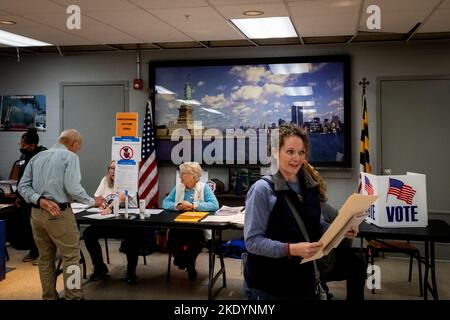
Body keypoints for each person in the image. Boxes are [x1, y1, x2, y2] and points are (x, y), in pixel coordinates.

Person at [243, 123, 365, 300]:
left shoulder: (310, 186)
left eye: (301, 153)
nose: (297, 158)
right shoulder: (262, 190)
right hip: (269, 286)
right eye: (290, 152)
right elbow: (253, 242)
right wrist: (290, 249)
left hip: (304, 282)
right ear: (275, 152)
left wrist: (340, 230)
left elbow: (316, 224)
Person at [18, 129, 103, 300]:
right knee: (71, 256)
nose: (79, 149)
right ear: (74, 143)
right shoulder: (70, 157)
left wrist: (39, 200)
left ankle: (49, 297)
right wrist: (93, 201)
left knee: (45, 258)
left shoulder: (37, 157)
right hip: (58, 214)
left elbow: (22, 186)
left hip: (36, 215)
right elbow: (73, 188)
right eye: (80, 145)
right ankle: (74, 296)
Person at [83, 160, 156, 284]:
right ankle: (100, 268)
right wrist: (100, 204)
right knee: (88, 233)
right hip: (107, 221)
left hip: (127, 222)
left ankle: (131, 272)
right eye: (111, 168)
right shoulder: (105, 180)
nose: (113, 171)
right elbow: (98, 198)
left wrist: (109, 207)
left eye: (116, 169)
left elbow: (122, 197)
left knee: (133, 235)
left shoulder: (129, 182)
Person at [162, 162, 219, 281]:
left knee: (193, 240)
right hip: (179, 225)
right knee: (173, 238)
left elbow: (214, 205)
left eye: (183, 174)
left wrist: (194, 206)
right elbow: (165, 203)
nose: (180, 176)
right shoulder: (178, 187)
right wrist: (177, 205)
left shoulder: (204, 188)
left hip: (196, 226)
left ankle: (188, 264)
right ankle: (187, 263)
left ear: (193, 176)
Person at [14, 128, 47, 264]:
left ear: (32, 145)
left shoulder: (44, 155)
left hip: (38, 197)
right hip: (25, 196)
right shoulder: (23, 156)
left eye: (23, 145)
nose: (21, 147)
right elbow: (21, 178)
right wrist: (18, 195)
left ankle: (43, 254)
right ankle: (33, 251)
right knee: (28, 226)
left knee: (40, 229)